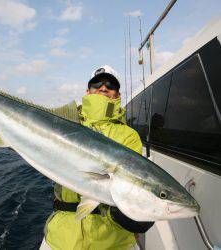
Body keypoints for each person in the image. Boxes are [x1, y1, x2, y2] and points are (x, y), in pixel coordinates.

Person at [42, 65, 154, 250]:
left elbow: (130, 183)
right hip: (60, 238)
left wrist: (129, 214)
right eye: (97, 84)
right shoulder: (64, 124)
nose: (103, 88)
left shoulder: (128, 135)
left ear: (117, 95)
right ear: (88, 91)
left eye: (111, 85)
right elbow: (5, 129)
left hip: (113, 241)